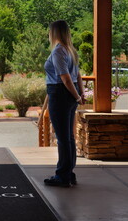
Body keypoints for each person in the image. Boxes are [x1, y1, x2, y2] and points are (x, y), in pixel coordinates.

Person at [43, 20, 85, 187]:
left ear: (54, 33)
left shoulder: (58, 51)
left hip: (60, 94)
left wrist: (77, 97)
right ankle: (69, 173)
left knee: (62, 138)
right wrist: (80, 93)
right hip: (70, 94)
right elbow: (78, 76)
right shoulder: (71, 50)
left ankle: (62, 176)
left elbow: (66, 79)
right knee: (69, 137)